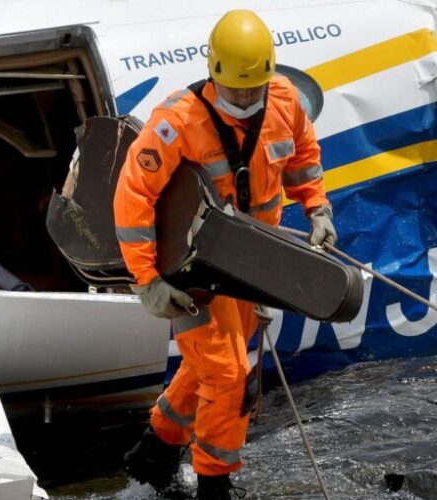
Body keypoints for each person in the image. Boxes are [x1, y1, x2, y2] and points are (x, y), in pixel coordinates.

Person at [112, 9, 336, 499]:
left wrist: (317, 209)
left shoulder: (283, 102)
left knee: (212, 366)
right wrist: (147, 280)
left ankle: (155, 451)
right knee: (228, 373)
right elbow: (133, 198)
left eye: (252, 89)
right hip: (190, 272)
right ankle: (214, 484)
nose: (244, 99)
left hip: (252, 265)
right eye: (234, 91)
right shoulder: (176, 123)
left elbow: (301, 155)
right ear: (213, 73)